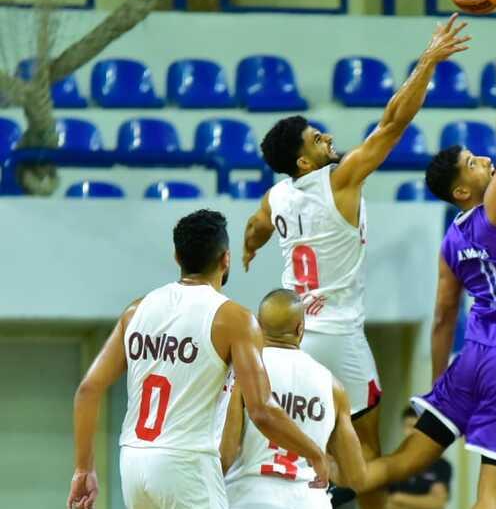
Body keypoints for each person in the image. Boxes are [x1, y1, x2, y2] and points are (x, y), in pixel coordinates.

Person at [242, 15, 470, 509]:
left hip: (289, 337)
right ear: (304, 162)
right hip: (339, 337)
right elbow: (393, 123)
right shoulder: (339, 180)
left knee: (295, 444)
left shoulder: (276, 196)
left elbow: (256, 227)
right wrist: (427, 61)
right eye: (315, 139)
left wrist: (248, 249)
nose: (325, 137)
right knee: (364, 456)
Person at [356, 19, 496, 509]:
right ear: (463, 192)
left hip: (470, 361)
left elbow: (445, 314)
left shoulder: (451, 239)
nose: (485, 159)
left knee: (400, 464)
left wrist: (439, 381)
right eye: (473, 163)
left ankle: (312, 490)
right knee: (491, 500)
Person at [69, 210, 328, 509]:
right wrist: (314, 453)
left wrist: (83, 469)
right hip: (187, 463)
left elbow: (88, 390)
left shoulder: (136, 310)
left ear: (177, 257)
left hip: (133, 463)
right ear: (226, 258)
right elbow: (262, 411)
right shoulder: (234, 319)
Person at [222, 289, 367, 508]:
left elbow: (226, 452)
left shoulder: (244, 373)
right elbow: (355, 476)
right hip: (307, 500)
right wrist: (320, 459)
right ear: (301, 328)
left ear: (258, 326)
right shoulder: (333, 387)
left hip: (249, 496)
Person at [386, 408, 452, 509]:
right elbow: (385, 503)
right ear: (403, 428)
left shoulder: (441, 465)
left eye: (420, 427)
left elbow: (437, 503)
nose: (414, 432)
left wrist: (398, 498)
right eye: (410, 426)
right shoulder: (392, 463)